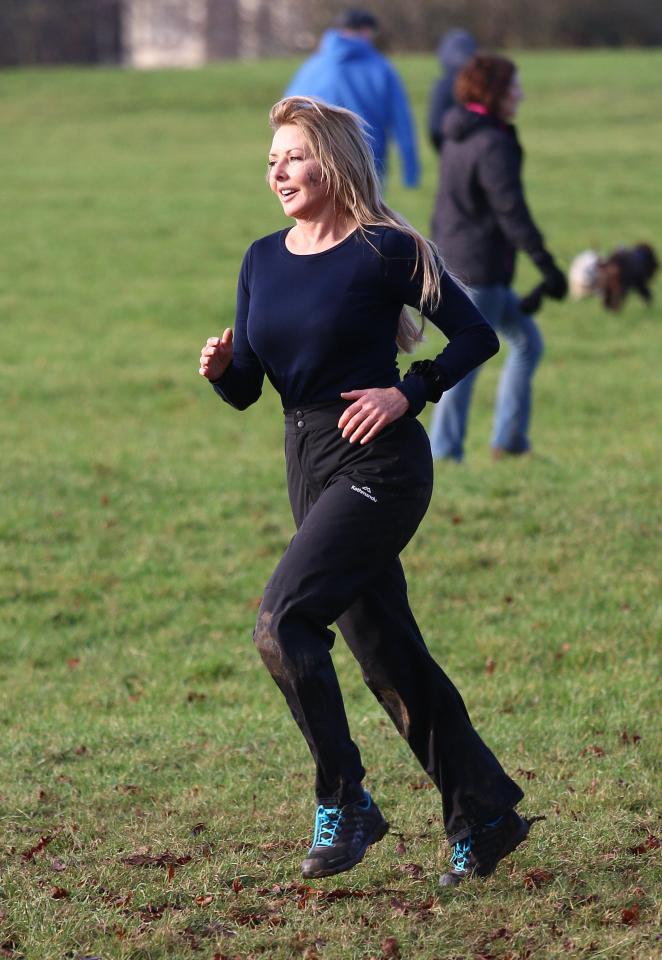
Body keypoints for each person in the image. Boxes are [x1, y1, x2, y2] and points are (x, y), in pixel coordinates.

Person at [199, 95, 531, 887]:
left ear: (333, 162)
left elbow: (478, 334)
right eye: (272, 158)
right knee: (386, 652)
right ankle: (483, 812)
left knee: (282, 623)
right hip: (307, 463)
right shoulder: (260, 259)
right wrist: (221, 373)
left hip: (381, 464)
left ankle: (344, 798)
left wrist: (408, 392)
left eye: (295, 155)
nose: (278, 170)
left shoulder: (384, 249)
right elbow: (250, 387)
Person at [429, 53, 567, 461]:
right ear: (495, 92)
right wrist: (547, 264)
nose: (520, 94)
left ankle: (508, 441)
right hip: (479, 271)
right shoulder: (490, 142)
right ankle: (443, 452)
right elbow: (511, 210)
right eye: (514, 87)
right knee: (464, 363)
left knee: (527, 342)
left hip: (463, 263)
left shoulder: (459, 133)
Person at [284, 8, 420, 188]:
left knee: (321, 215)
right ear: (365, 31)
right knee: (364, 215)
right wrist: (410, 169)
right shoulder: (381, 68)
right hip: (367, 162)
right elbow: (401, 120)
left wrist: (288, 159)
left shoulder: (311, 68)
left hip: (317, 161)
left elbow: (286, 117)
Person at [427, 28, 477, 153]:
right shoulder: (481, 87)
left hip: (450, 153)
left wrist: (447, 152)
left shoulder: (441, 87)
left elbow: (434, 128)